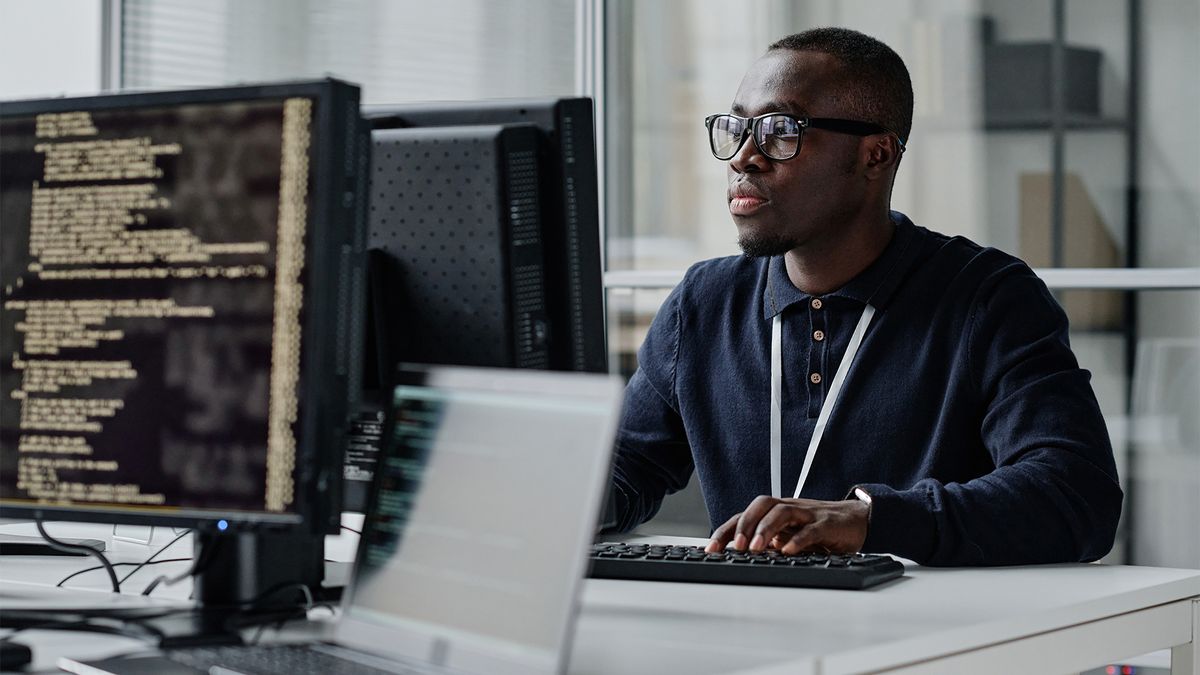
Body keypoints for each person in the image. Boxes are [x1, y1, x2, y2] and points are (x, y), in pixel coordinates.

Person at [606, 27, 1123, 566]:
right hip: (753, 632)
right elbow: (624, 472)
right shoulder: (704, 304)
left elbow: (1076, 495)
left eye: (781, 131)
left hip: (929, 640)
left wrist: (872, 520)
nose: (744, 157)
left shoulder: (987, 298)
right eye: (736, 127)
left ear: (876, 156)